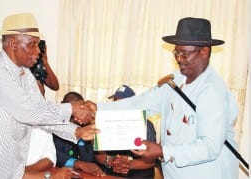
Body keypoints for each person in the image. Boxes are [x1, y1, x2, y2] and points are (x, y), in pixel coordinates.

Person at [0, 13, 98, 179]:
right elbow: (27, 111)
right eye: (32, 45)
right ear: (13, 43)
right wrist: (72, 108)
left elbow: (40, 112)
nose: (37, 51)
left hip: (7, 165)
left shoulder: (25, 74)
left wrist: (77, 131)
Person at [97, 17, 239, 179]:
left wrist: (163, 151)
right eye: (176, 52)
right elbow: (141, 103)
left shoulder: (213, 90)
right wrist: (97, 109)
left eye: (184, 54)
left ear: (204, 51)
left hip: (206, 173)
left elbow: (209, 147)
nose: (178, 59)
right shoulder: (176, 79)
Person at [95, 85, 157, 178]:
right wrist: (110, 160)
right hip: (110, 170)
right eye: (115, 102)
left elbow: (151, 160)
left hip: (139, 172)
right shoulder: (104, 122)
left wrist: (129, 164)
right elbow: (98, 154)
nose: (117, 106)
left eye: (122, 103)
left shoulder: (147, 126)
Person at [53, 91, 105, 177]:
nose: (75, 117)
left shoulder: (85, 127)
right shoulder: (53, 124)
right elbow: (53, 155)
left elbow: (89, 160)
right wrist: (79, 164)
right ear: (62, 105)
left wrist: (91, 123)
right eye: (71, 111)